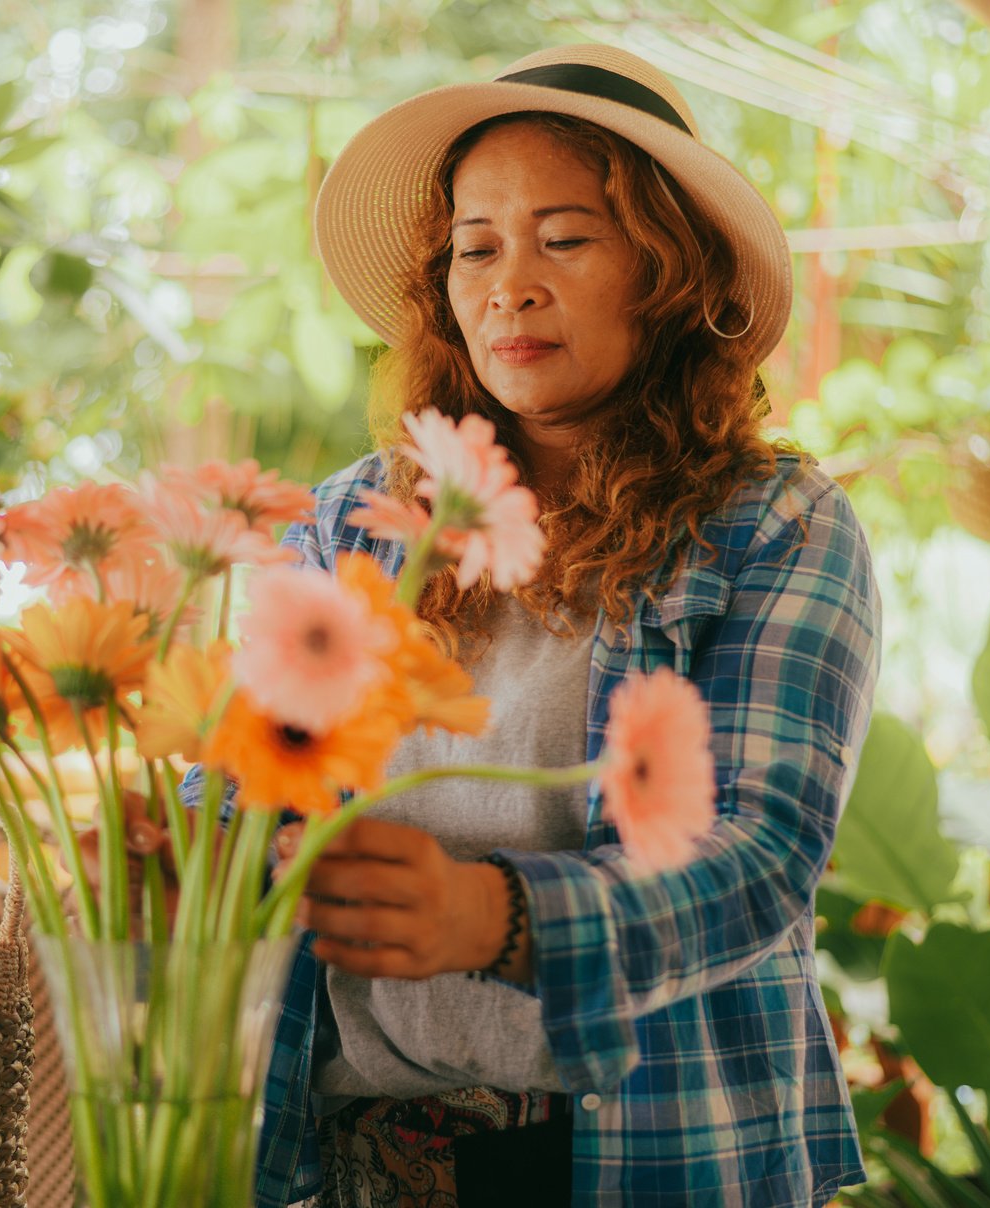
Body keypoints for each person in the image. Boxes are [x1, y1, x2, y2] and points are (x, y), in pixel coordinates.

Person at [201, 43, 879, 1208]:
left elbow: (758, 858)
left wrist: (495, 915)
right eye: (477, 246)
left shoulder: (775, 524)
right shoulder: (358, 523)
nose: (509, 284)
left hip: (647, 1155)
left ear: (671, 276)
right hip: (359, 1160)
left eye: (565, 238)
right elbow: (245, 792)